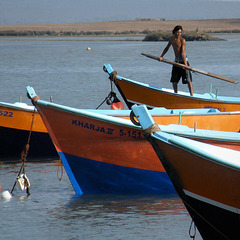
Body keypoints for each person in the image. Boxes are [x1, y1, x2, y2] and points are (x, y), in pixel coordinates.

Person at [159, 25, 193, 96]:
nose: (179, 34)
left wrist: (185, 64)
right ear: (174, 32)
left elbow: (183, 52)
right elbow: (167, 48)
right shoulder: (171, 39)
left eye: (180, 32)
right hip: (176, 61)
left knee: (188, 80)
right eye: (178, 32)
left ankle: (191, 95)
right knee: (174, 80)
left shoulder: (182, 40)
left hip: (183, 61)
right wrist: (161, 56)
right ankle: (175, 94)